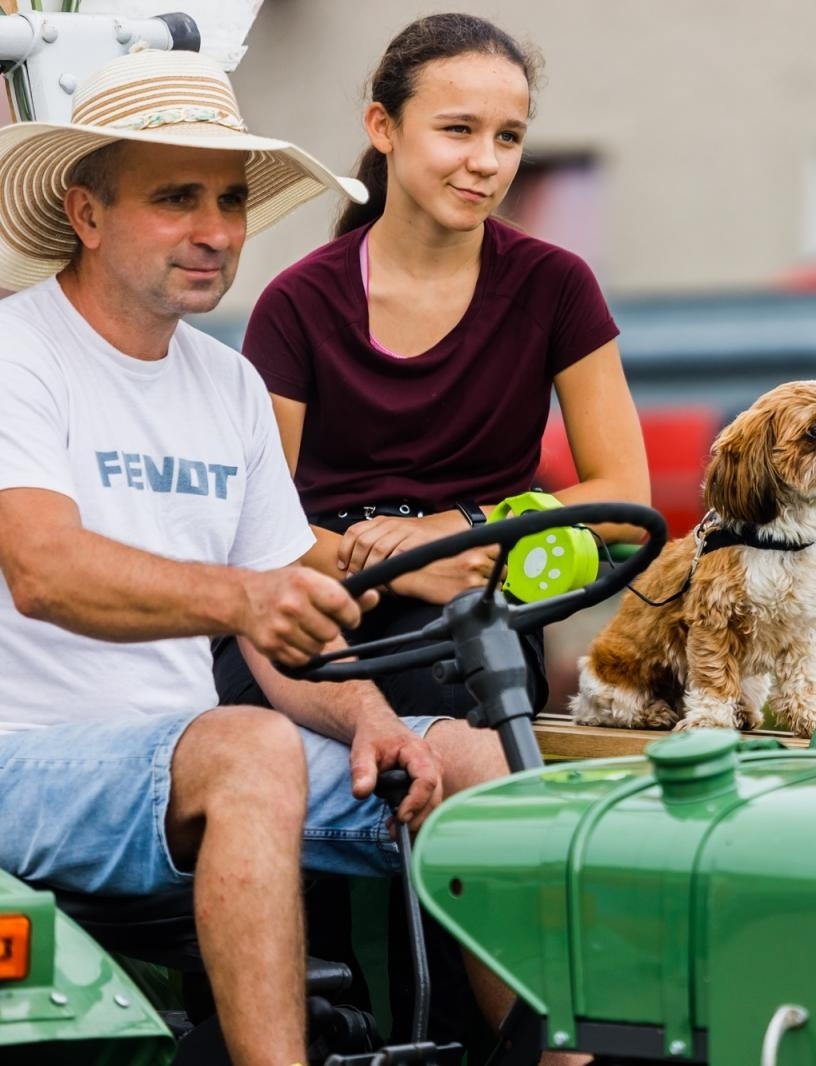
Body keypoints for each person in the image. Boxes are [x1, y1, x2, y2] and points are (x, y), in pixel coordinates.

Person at [0, 49, 551, 1066]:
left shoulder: (228, 386)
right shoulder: (17, 355)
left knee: (480, 759)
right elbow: (45, 570)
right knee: (247, 746)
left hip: (184, 760)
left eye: (230, 201)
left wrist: (371, 719)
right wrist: (245, 599)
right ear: (86, 213)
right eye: (176, 199)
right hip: (28, 762)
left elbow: (281, 624)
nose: (215, 231)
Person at [221, 12, 649, 721]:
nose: (487, 161)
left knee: (449, 694)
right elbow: (254, 526)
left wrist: (465, 527)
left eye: (508, 137)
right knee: (265, 726)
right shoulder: (297, 303)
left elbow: (624, 499)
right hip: (316, 595)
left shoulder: (556, 285)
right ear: (382, 127)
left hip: (475, 606)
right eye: (458, 129)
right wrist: (404, 566)